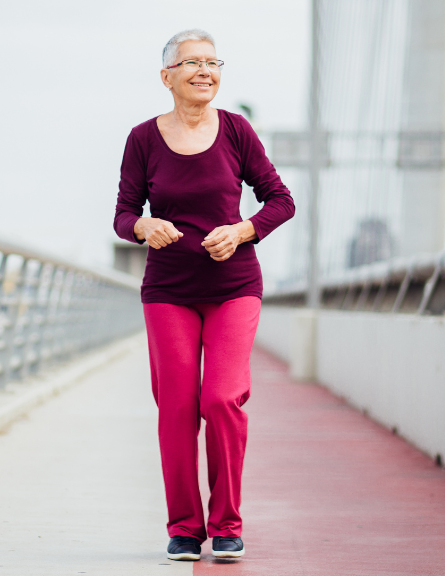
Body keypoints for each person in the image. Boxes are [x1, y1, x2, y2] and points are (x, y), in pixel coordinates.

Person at [113, 29, 295, 561]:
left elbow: (280, 199)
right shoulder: (143, 138)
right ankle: (185, 528)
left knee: (220, 398)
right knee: (176, 406)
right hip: (168, 289)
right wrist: (145, 228)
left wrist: (242, 231)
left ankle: (228, 522)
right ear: (166, 76)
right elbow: (124, 213)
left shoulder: (237, 131)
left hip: (234, 286)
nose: (204, 71)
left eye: (213, 62)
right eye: (191, 63)